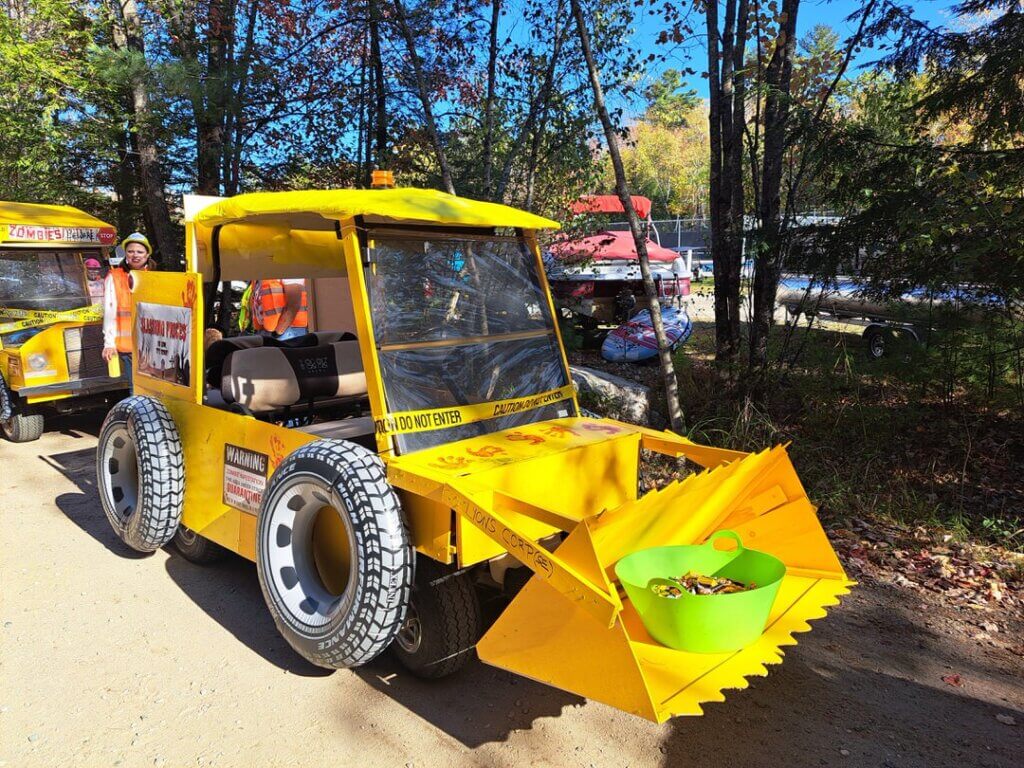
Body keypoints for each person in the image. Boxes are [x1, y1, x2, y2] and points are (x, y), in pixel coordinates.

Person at [102, 233, 152, 383]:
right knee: (137, 388)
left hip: (153, 346)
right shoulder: (115, 276)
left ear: (147, 254)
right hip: (129, 346)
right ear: (125, 253)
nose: (135, 255)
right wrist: (109, 344)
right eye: (130, 251)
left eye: (140, 251)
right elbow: (109, 312)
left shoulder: (155, 276)